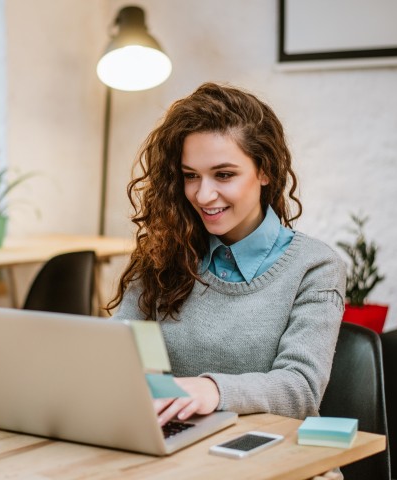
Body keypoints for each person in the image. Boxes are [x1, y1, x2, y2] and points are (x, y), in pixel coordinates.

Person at [108, 82, 346, 427]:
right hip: (177, 446)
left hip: (269, 454)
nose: (204, 195)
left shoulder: (315, 267)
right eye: (191, 176)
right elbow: (118, 350)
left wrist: (211, 390)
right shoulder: (165, 253)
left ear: (265, 170)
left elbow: (300, 388)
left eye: (224, 175)